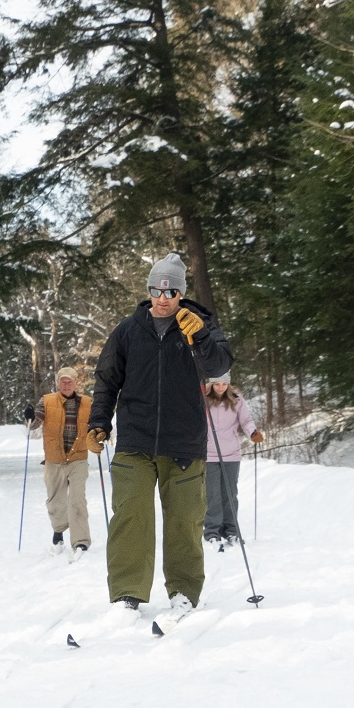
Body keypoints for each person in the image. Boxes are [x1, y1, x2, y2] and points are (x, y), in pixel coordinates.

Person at [86, 254, 232, 626]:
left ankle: (183, 594)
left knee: (184, 520)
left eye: (171, 290)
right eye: (156, 289)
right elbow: (107, 380)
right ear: (149, 289)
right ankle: (127, 595)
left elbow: (218, 367)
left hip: (184, 443)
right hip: (135, 439)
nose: (163, 297)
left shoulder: (202, 327)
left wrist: (198, 335)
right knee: (130, 516)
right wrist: (99, 421)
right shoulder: (128, 330)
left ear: (181, 292)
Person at [23, 366, 98, 555]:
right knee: (55, 501)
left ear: (75, 383)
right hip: (54, 459)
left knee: (77, 499)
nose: (66, 384)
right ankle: (58, 531)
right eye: (63, 381)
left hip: (78, 458)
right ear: (58, 383)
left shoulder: (88, 403)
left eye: (70, 381)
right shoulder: (47, 401)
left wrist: (99, 432)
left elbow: (96, 423)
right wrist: (30, 416)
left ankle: (80, 541)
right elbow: (35, 423)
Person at [202, 371, 265, 547]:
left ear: (228, 384)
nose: (220, 387)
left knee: (230, 493)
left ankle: (231, 530)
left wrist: (253, 432)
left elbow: (245, 420)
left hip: (231, 453)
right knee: (212, 494)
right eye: (217, 384)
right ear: (211, 384)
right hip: (209, 454)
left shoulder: (237, 400)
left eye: (224, 384)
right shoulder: (203, 399)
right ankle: (212, 531)